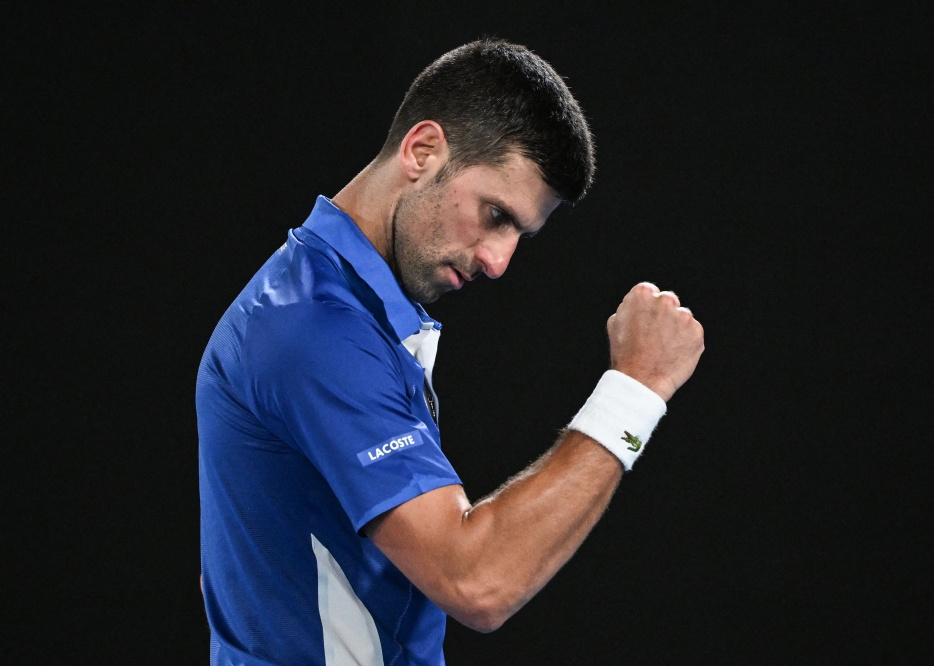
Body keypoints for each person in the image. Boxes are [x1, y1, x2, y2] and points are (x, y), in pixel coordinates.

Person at [197, 38, 704, 666]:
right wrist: (637, 389)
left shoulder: (341, 308)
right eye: (495, 214)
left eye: (519, 233)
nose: (498, 261)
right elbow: (477, 580)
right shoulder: (313, 333)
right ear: (423, 150)